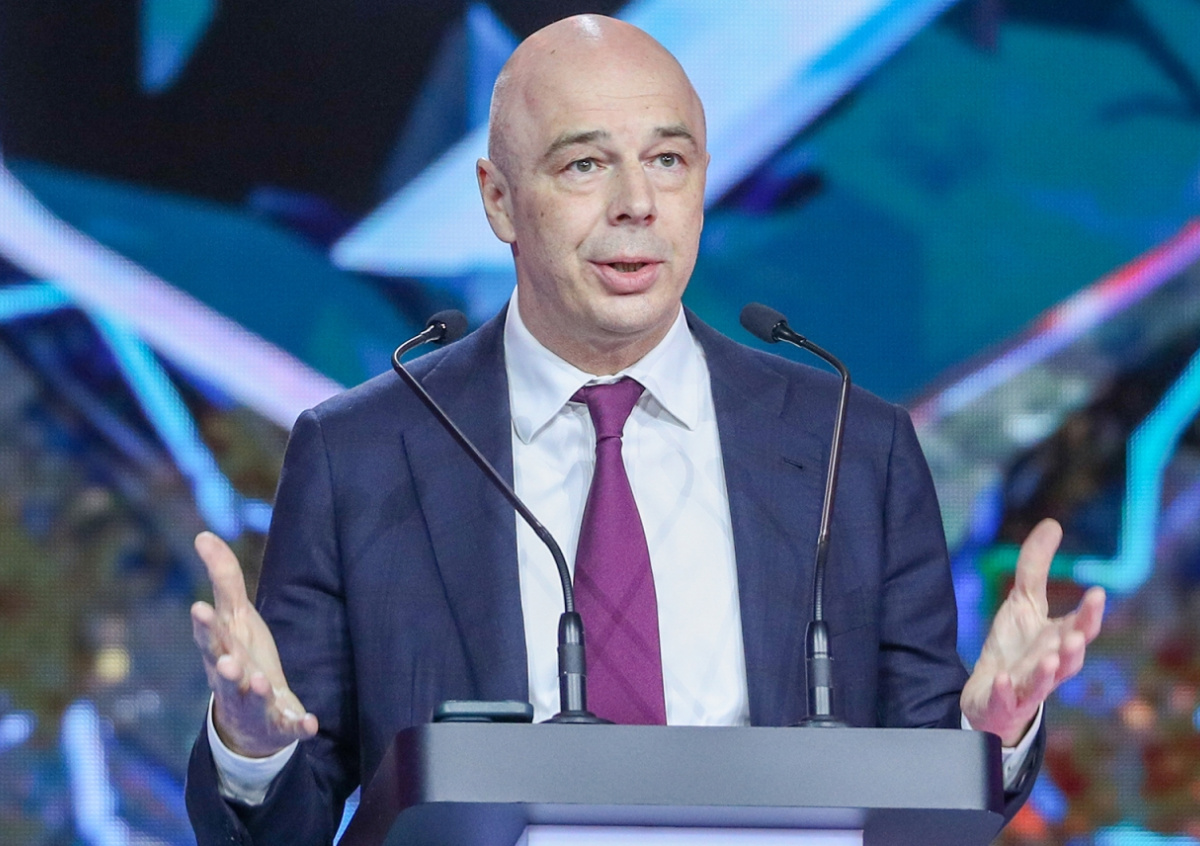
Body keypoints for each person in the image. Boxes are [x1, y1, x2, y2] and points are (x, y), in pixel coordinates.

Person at [185, 14, 1106, 845]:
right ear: (499, 200)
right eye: (585, 165)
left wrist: (988, 733)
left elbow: (924, 785)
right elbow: (285, 825)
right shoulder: (364, 454)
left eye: (668, 160)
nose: (637, 202)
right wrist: (252, 746)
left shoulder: (849, 446)